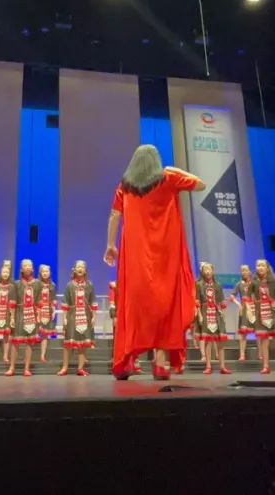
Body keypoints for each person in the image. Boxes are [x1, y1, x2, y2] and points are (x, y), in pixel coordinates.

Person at [104, 144, 204, 381]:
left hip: (136, 257)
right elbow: (200, 184)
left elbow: (115, 214)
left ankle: (126, 361)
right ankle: (160, 364)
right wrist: (176, 169)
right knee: (164, 306)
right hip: (166, 256)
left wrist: (110, 245)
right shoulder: (168, 178)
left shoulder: (125, 185)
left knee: (134, 306)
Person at [58, 260, 97, 376]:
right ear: (74, 270)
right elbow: (65, 303)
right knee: (68, 344)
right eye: (78, 267)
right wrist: (64, 318)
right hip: (72, 316)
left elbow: (93, 302)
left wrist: (94, 317)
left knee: (83, 344)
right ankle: (65, 367)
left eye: (82, 267)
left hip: (85, 316)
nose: (80, 269)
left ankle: (80, 368)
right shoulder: (69, 285)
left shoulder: (89, 285)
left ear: (85, 271)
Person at [195, 262, 231, 375]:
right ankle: (208, 366)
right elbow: (197, 301)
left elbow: (222, 302)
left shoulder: (217, 285)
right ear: (202, 272)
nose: (207, 272)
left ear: (212, 271)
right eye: (205, 269)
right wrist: (200, 315)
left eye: (209, 269)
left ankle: (222, 366)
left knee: (220, 343)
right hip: (205, 313)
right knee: (208, 342)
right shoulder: (199, 284)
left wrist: (223, 314)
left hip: (216, 314)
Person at [252, 259, 275, 375]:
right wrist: (252, 310)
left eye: (262, 265)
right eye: (258, 266)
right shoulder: (254, 282)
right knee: (264, 341)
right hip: (261, 313)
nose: (260, 268)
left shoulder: (274, 280)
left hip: (274, 312)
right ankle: (266, 366)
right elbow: (248, 296)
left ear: (267, 268)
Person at [8, 259, 42, 377]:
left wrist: (38, 316)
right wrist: (12, 318)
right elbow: (12, 302)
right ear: (21, 269)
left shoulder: (38, 284)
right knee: (15, 342)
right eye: (25, 266)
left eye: (29, 265)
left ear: (32, 269)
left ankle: (26, 368)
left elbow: (39, 302)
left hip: (32, 314)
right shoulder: (16, 284)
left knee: (29, 343)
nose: (28, 267)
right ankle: (12, 367)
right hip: (19, 314)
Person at [231, 264, 256, 362]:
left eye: (246, 270)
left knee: (259, 332)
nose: (244, 272)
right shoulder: (239, 284)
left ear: (250, 271)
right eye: (242, 270)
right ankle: (242, 354)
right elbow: (232, 296)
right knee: (243, 334)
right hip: (245, 309)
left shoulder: (254, 283)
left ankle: (260, 354)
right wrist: (239, 305)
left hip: (255, 309)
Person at [37, 264, 58, 363]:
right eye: (43, 271)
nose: (45, 273)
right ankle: (28, 356)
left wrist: (53, 310)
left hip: (47, 311)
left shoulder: (52, 285)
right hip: (37, 311)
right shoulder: (36, 284)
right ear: (40, 273)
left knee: (45, 335)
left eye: (47, 271)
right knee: (33, 334)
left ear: (50, 273)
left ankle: (42, 355)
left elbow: (53, 299)